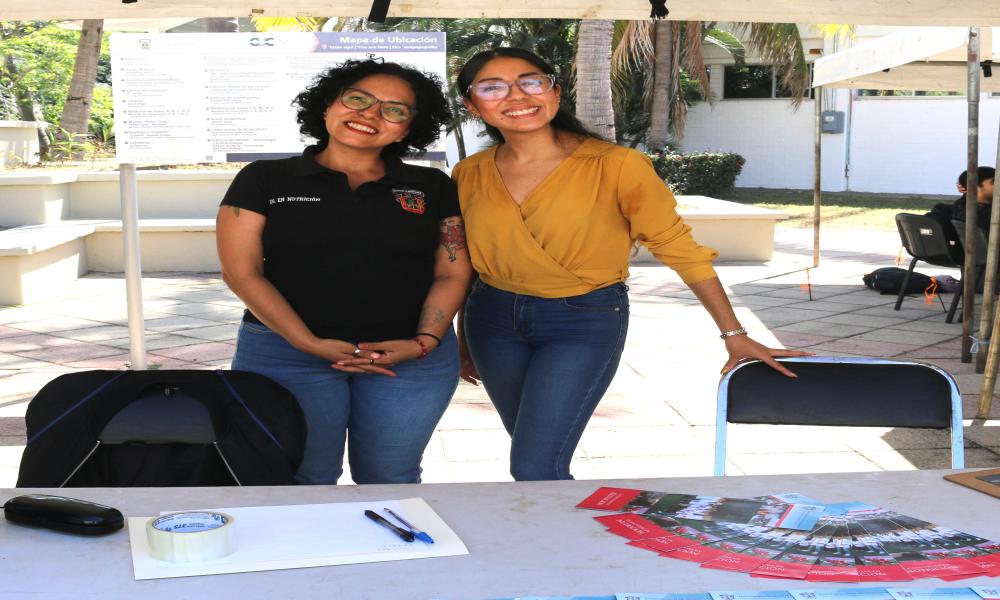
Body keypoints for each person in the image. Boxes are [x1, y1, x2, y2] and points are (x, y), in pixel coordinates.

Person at [451, 48, 808, 482]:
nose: (516, 95)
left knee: (534, 465)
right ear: (471, 104)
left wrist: (734, 334)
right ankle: (558, 538)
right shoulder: (470, 172)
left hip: (580, 319)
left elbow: (677, 246)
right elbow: (468, 260)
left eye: (531, 81)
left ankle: (573, 547)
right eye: (492, 87)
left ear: (555, 91)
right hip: (491, 320)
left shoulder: (616, 165)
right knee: (533, 452)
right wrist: (463, 340)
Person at [216, 59, 472, 485]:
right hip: (286, 354)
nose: (370, 114)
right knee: (302, 479)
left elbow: (451, 272)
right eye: (357, 99)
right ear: (328, 106)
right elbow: (241, 273)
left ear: (408, 129)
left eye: (394, 109)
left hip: (409, 359)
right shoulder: (264, 178)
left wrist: (424, 343)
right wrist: (307, 342)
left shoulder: (433, 186)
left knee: (390, 477)